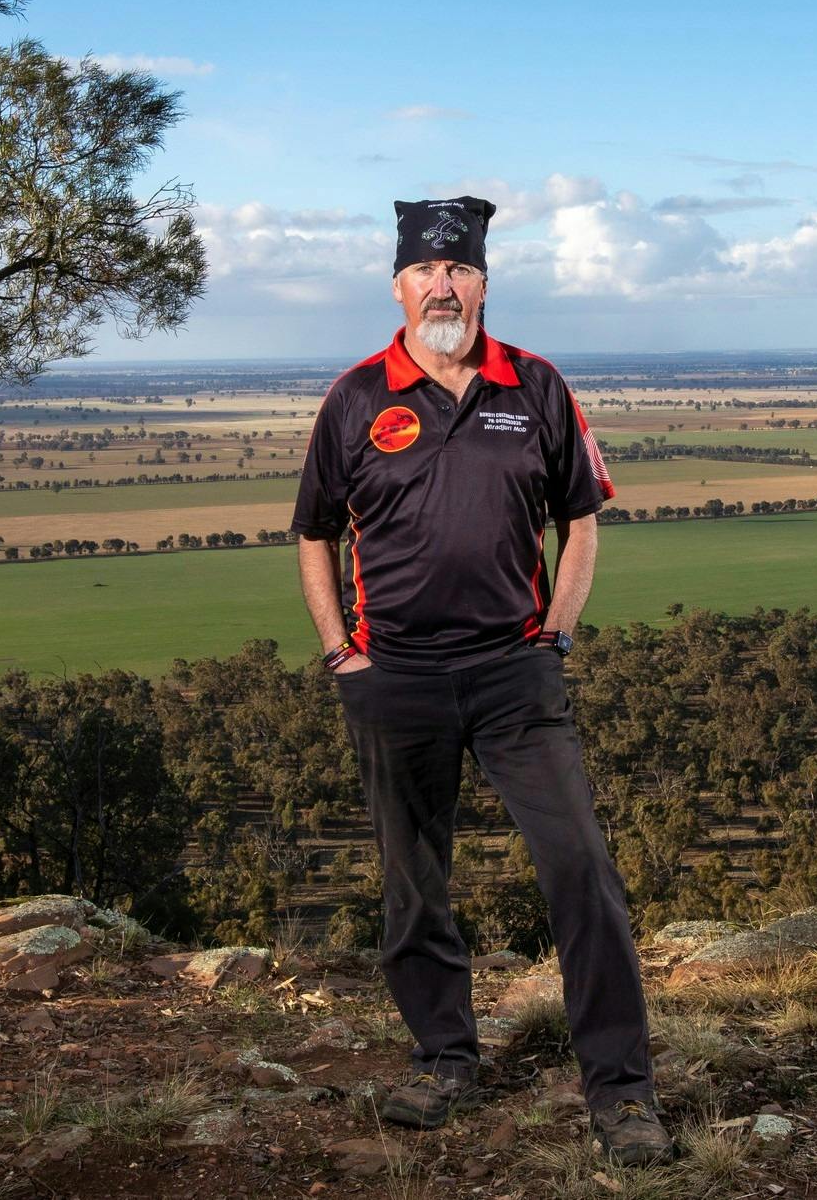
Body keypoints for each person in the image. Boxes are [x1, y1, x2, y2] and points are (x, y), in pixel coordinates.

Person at [290, 195, 672, 1168]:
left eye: (459, 270)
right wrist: (343, 651)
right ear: (399, 286)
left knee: (579, 866)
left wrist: (556, 636)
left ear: (483, 284)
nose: (443, 285)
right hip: (398, 680)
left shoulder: (536, 387)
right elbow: (315, 532)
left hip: (514, 676)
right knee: (414, 879)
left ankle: (621, 1091)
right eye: (426, 270)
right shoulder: (354, 398)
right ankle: (442, 1057)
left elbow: (582, 519)